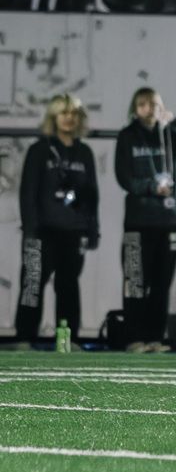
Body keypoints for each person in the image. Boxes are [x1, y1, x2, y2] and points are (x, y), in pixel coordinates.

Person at [115, 87, 176, 352]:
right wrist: (151, 187)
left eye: (154, 104)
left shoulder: (169, 134)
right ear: (135, 109)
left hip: (168, 221)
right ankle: (134, 338)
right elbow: (124, 177)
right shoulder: (127, 136)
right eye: (143, 104)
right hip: (138, 222)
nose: (149, 109)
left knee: (161, 283)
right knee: (135, 282)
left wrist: (175, 123)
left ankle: (155, 337)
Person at [14, 94, 98, 348]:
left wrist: (92, 229)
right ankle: (24, 337)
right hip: (42, 231)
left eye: (73, 114)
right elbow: (28, 193)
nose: (68, 118)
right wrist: (30, 230)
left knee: (68, 287)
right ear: (53, 117)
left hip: (73, 231)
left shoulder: (84, 152)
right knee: (32, 284)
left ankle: (68, 339)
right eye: (63, 113)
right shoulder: (39, 150)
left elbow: (92, 195)